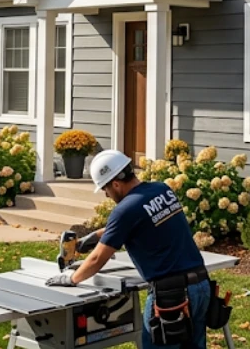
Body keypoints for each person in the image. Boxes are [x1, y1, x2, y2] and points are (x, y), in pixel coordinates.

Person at [47, 149, 211, 349]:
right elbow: (141, 220)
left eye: (105, 189)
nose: (106, 195)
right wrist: (95, 236)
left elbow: (97, 258)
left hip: (171, 297)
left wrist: (71, 278)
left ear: (116, 183)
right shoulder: (162, 189)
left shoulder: (125, 210)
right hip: (201, 286)